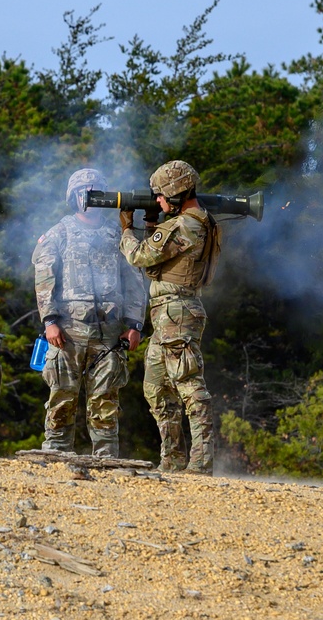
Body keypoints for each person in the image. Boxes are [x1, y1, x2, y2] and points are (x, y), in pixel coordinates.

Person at [31, 168, 148, 457]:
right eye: (85, 192)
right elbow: (45, 278)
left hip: (108, 334)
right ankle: (55, 455)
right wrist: (50, 321)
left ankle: (106, 459)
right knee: (62, 396)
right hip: (67, 333)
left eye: (97, 192)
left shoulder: (117, 235)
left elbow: (135, 280)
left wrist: (135, 324)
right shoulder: (60, 233)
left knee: (106, 400)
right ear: (74, 197)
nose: (91, 198)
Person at [118, 160, 221, 474]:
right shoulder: (184, 223)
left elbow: (140, 256)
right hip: (167, 313)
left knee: (189, 384)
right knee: (156, 387)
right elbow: (156, 265)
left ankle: (201, 462)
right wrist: (151, 226)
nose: (158, 201)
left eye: (162, 196)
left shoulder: (186, 225)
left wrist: (126, 228)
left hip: (178, 312)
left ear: (178, 194)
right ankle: (173, 458)